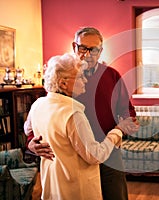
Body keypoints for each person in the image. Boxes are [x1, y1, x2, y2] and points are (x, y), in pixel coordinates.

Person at [26, 27, 140, 200]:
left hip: (109, 155)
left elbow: (127, 111)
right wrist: (30, 143)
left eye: (94, 50)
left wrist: (126, 124)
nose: (88, 54)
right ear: (74, 46)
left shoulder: (112, 75)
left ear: (101, 51)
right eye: (83, 48)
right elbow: (43, 115)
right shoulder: (61, 75)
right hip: (73, 158)